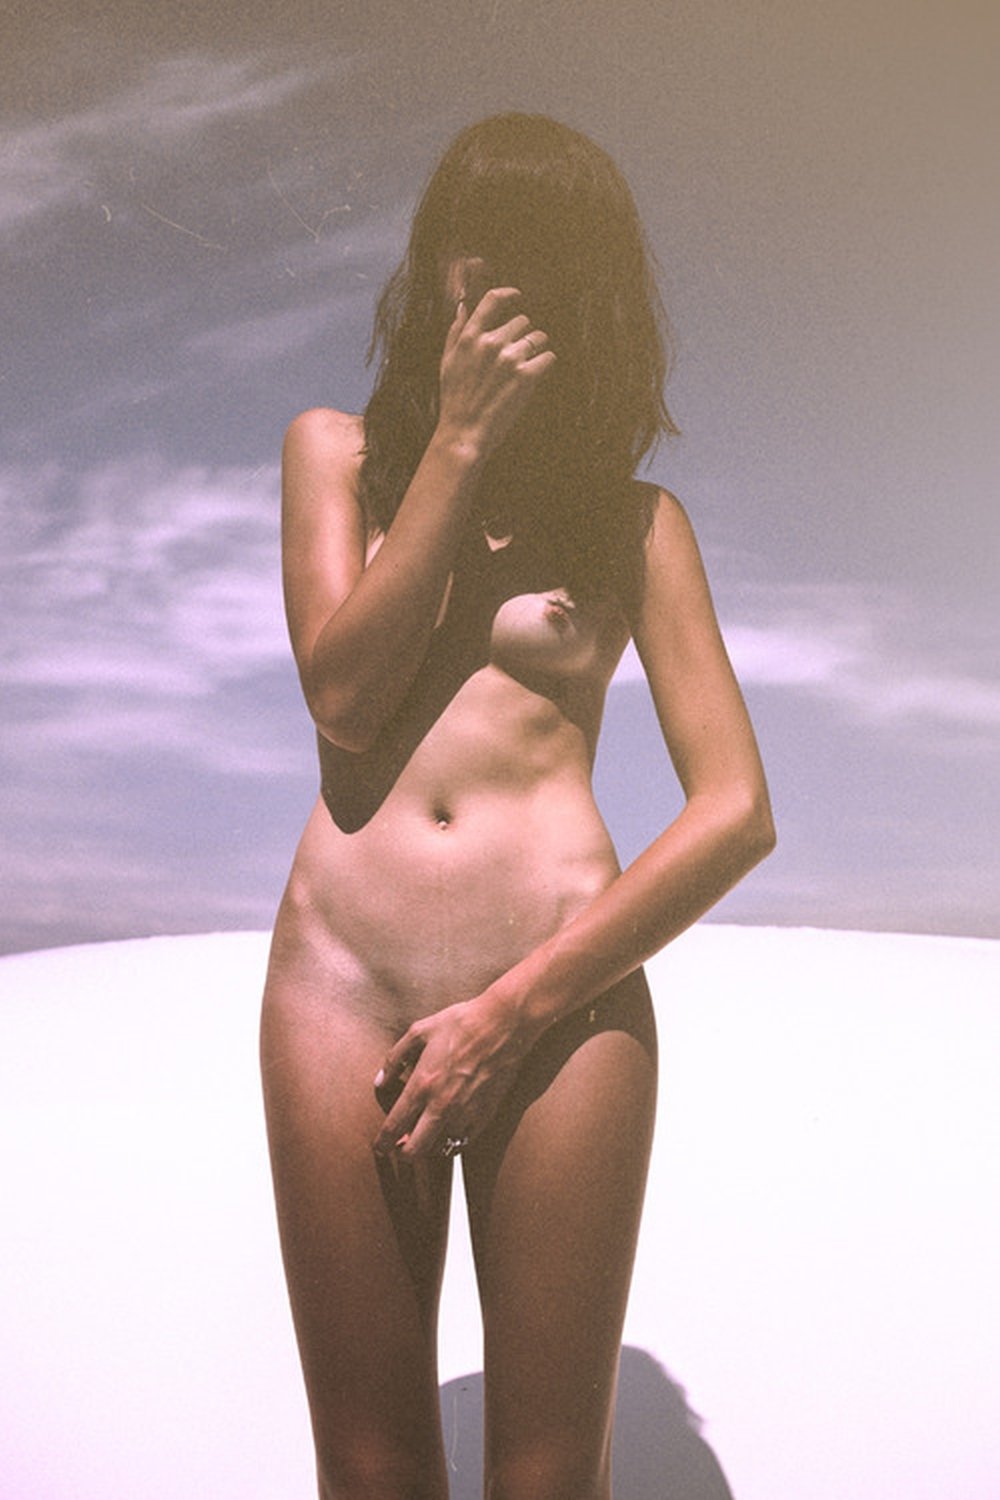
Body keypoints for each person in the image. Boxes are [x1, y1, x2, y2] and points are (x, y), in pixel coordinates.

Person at [260, 112, 775, 1500]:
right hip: (340, 984)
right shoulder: (333, 453)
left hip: (559, 1001)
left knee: (550, 1477)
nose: (496, 272)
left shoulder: (634, 522)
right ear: (435, 260)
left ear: (587, 289)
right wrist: (458, 443)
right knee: (370, 1469)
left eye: (539, 246)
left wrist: (511, 1012)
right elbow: (344, 698)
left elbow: (736, 808)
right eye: (472, 237)